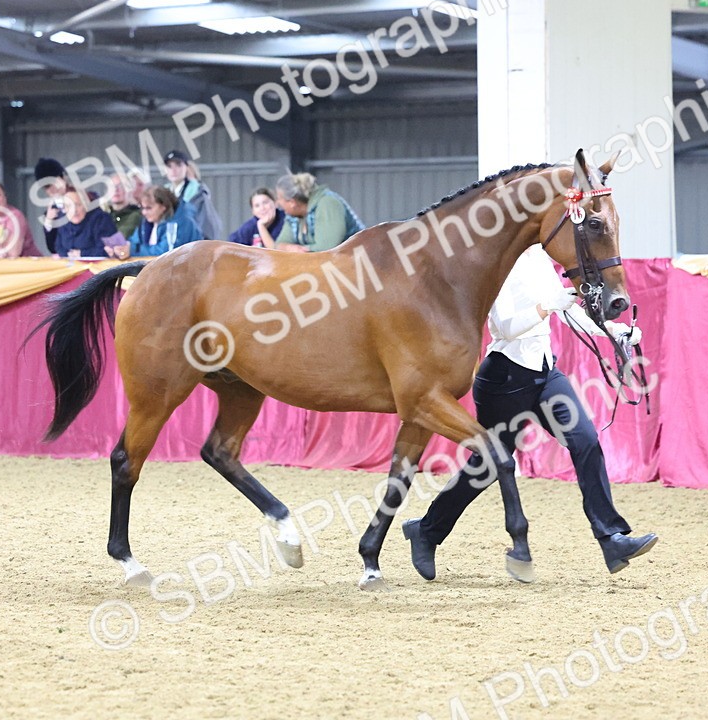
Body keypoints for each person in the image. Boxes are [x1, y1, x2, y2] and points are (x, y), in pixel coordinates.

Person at [402, 244, 657, 579]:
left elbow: (568, 309)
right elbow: (505, 327)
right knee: (488, 466)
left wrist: (613, 332)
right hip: (504, 377)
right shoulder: (494, 261)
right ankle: (427, 530)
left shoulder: (539, 257)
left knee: (585, 440)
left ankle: (611, 538)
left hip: (545, 373)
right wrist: (546, 306)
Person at [273, 172, 364, 252]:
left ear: (292, 202)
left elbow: (327, 248)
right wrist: (289, 248)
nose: (277, 203)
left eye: (279, 198)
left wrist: (299, 250)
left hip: (358, 263)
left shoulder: (327, 203)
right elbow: (279, 245)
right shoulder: (294, 216)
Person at [107, 186, 203, 259]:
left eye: (149, 208)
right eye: (142, 208)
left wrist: (132, 250)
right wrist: (119, 248)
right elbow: (134, 241)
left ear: (163, 206)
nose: (144, 212)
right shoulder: (147, 221)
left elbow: (167, 253)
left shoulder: (182, 223)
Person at [162, 150, 223, 240]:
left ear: (186, 167)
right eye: (169, 166)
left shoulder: (198, 194)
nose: (173, 170)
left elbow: (208, 225)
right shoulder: (162, 194)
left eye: (178, 165)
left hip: (191, 247)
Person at [53, 188, 118, 259]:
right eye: (69, 206)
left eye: (77, 205)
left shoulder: (102, 219)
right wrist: (69, 254)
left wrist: (82, 253)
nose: (74, 210)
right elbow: (59, 247)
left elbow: (108, 250)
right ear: (64, 209)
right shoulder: (63, 220)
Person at [34, 157, 69, 253]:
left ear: (63, 178)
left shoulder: (84, 199)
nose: (52, 189)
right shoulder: (50, 212)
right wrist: (49, 222)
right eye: (47, 186)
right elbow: (52, 248)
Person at [104, 174, 143, 239]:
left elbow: (118, 239)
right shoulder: (105, 215)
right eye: (112, 186)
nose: (116, 190)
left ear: (130, 190)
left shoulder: (136, 215)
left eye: (121, 186)